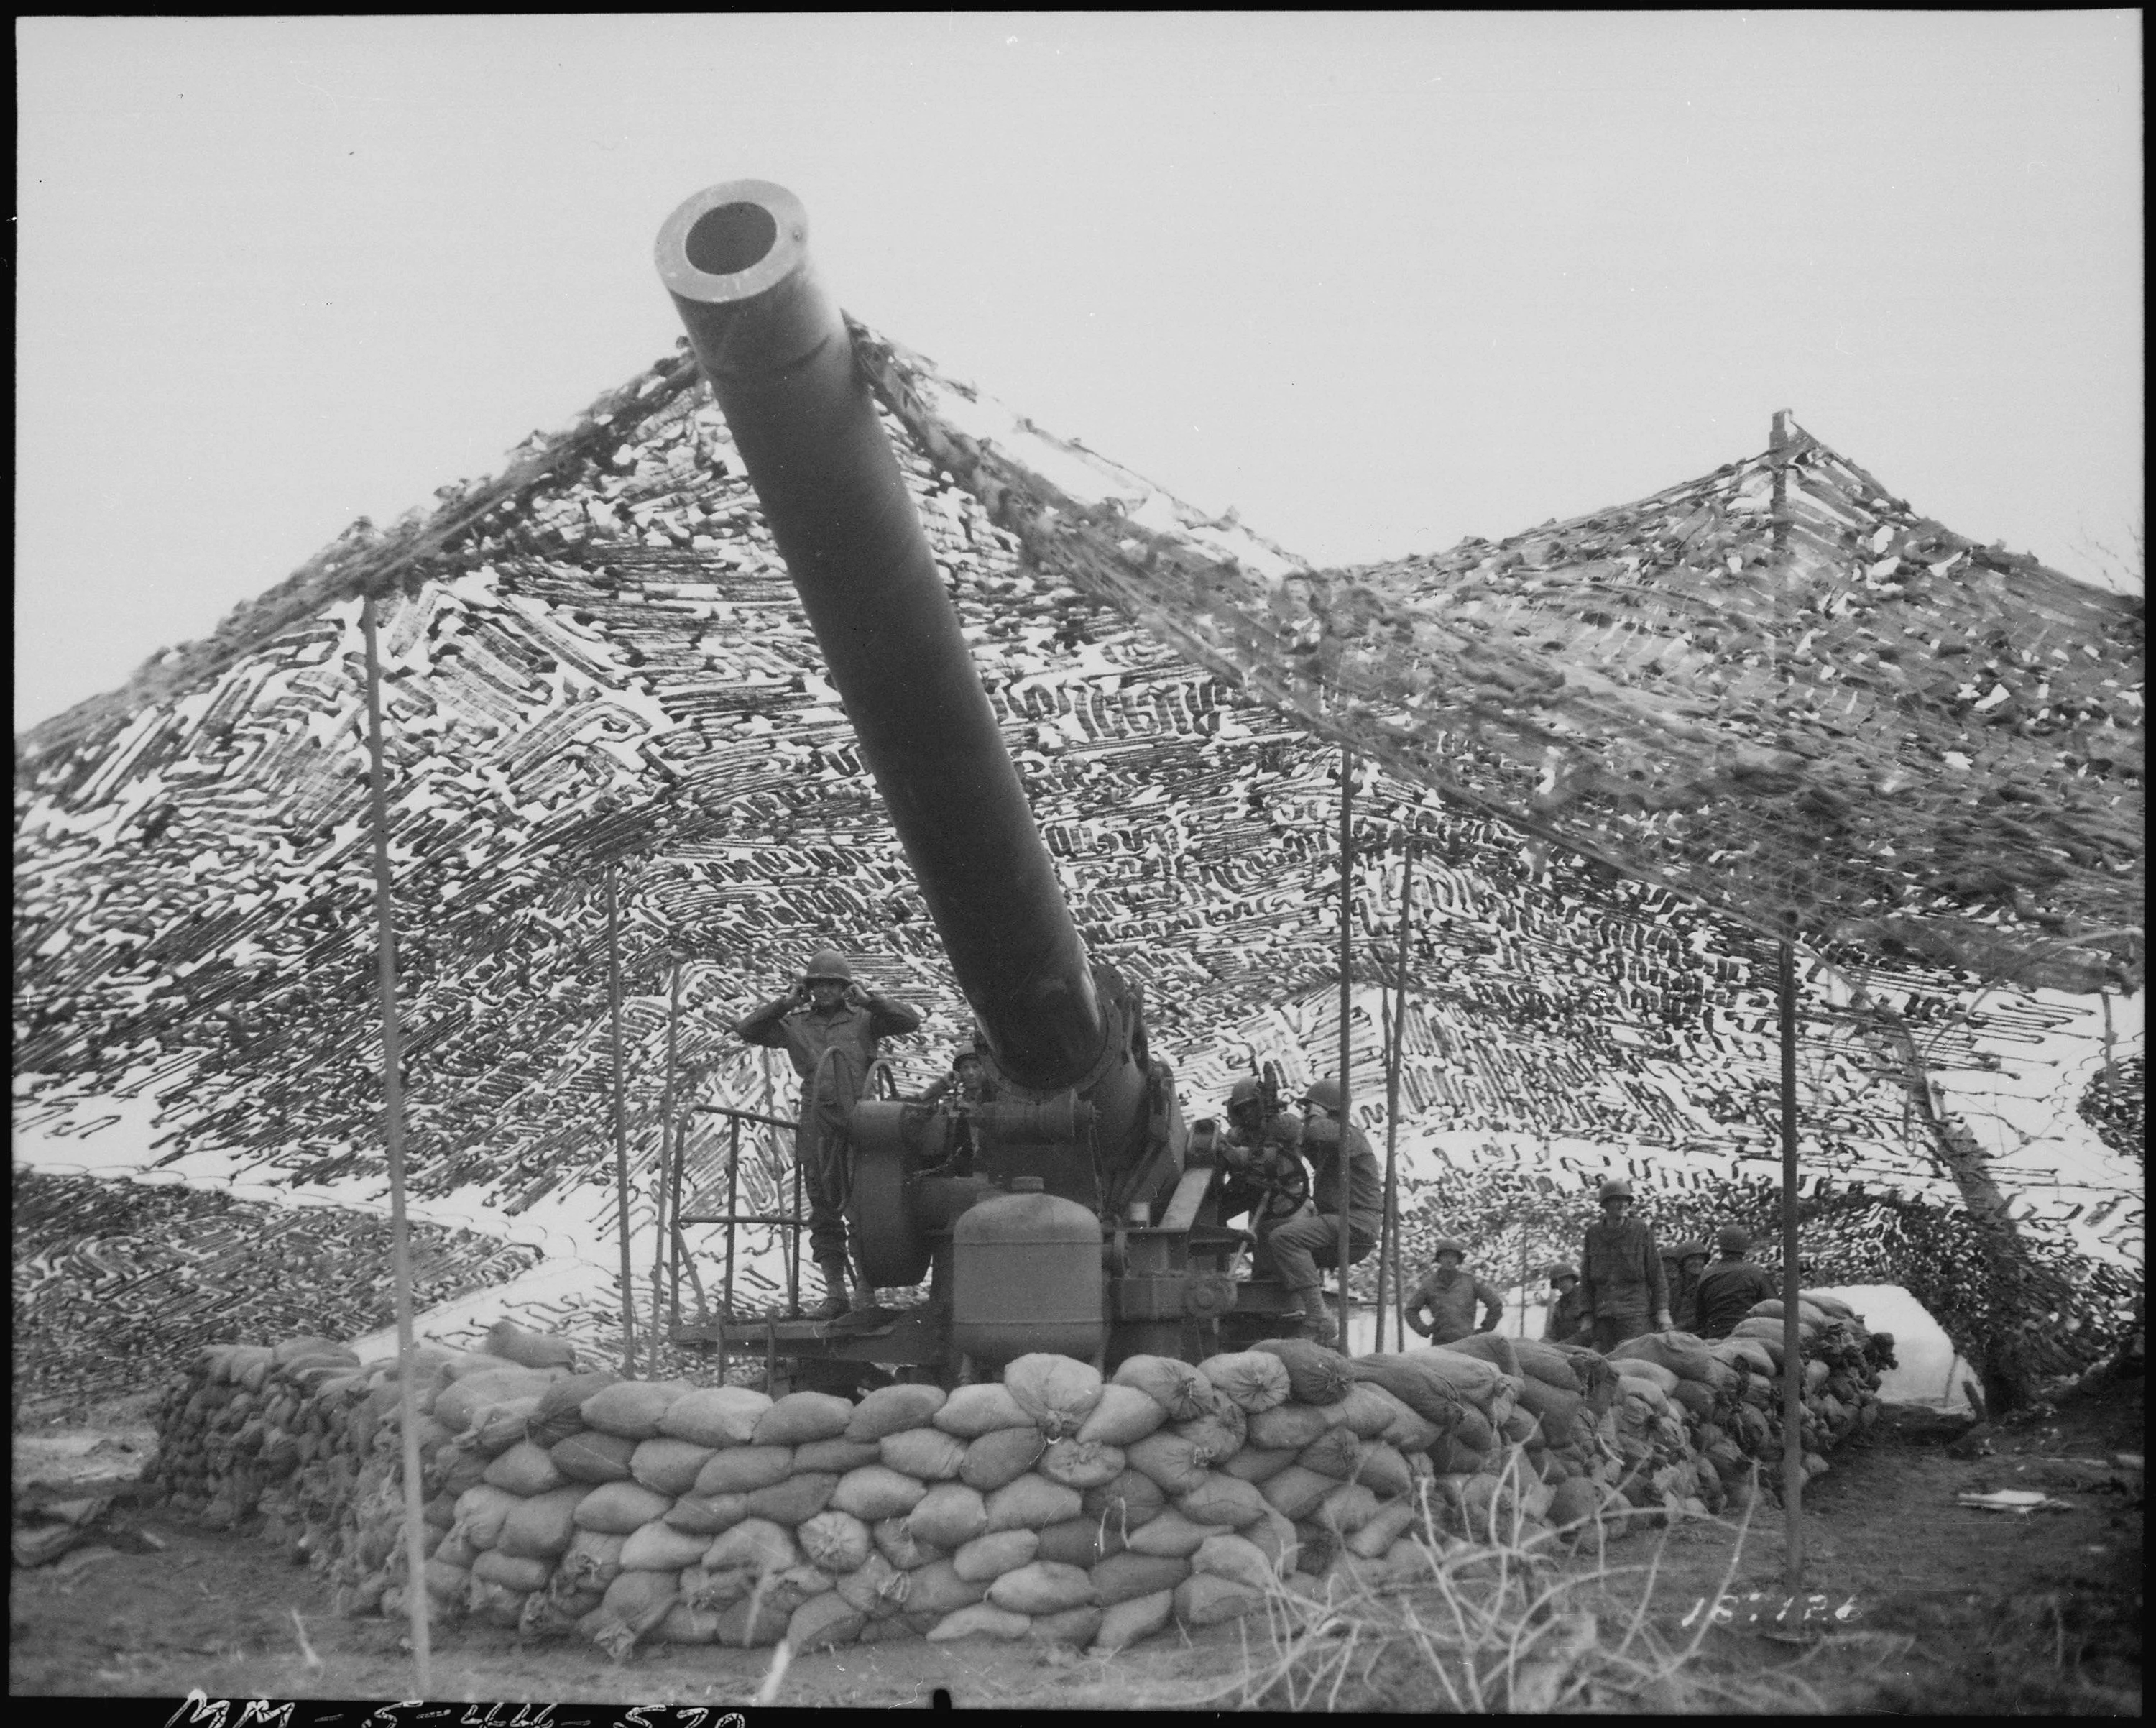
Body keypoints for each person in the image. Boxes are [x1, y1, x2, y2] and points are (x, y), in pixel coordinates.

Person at [734, 950, 922, 1319]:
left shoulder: (866, 1019)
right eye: (818, 985)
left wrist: (872, 1000)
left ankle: (865, 1290)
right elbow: (747, 1030)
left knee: (863, 1206)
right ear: (808, 987)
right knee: (824, 1205)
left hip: (862, 1116)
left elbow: (909, 1021)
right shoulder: (795, 1024)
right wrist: (784, 1003)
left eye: (833, 985)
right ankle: (835, 1291)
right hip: (817, 1119)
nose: (825, 992)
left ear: (845, 988)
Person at [1253, 1077, 1381, 1348]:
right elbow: (1297, 1146)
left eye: (1310, 1107)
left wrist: (1304, 1120)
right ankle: (1284, 1303)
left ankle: (1318, 1315)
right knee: (1267, 1232)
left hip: (1356, 1222)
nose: (1307, 1112)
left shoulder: (1348, 1134)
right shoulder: (1329, 1146)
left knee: (1285, 1238)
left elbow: (1313, 1132)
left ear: (1326, 1109)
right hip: (1340, 1221)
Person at [1575, 1177, 1672, 1351]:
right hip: (1604, 1315)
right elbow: (1586, 1279)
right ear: (1605, 1205)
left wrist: (1662, 1311)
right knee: (1600, 1365)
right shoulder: (1593, 1234)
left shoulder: (1640, 1230)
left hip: (1635, 1315)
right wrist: (1587, 1315)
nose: (1622, 1205)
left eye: (1625, 1200)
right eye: (1616, 1200)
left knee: (1635, 1362)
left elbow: (1656, 1274)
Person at [1217, 1076, 1304, 1228]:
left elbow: (1287, 1131)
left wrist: (1270, 1114)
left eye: (1251, 1106)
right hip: (1258, 1206)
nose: (1246, 1113)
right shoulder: (1238, 1135)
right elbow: (1225, 1149)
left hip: (1289, 1203)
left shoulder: (1288, 1123)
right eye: (1241, 1109)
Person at [1404, 1238, 1504, 1345]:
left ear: (1458, 1260)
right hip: (1441, 1344)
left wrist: (1485, 1329)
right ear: (1439, 1259)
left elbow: (1495, 1304)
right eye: (1445, 1256)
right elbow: (1410, 1310)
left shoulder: (1470, 1282)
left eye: (1453, 1256)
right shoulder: (1429, 1285)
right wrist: (1423, 1329)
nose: (1449, 1260)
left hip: (1467, 1344)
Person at [1692, 1226, 1779, 1340]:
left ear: (1721, 1248)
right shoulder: (1756, 1273)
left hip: (1715, 1338)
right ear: (1745, 1248)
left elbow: (1700, 1318)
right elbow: (1773, 1307)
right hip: (1750, 1337)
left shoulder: (1706, 1275)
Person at [1666, 1240, 1711, 1333]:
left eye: (1700, 1259)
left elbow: (1702, 1317)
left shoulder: (1707, 1283)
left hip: (1699, 1334)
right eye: (1692, 1259)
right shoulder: (1676, 1286)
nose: (1697, 1262)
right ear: (1683, 1262)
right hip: (1677, 1332)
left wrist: (1677, 1328)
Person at [1542, 1263, 1585, 1343]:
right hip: (1566, 1348)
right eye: (1557, 1282)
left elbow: (1588, 1332)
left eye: (1565, 1279)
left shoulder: (1585, 1299)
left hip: (1587, 1349)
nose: (1562, 1284)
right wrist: (1544, 1342)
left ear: (1573, 1279)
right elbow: (1554, 1332)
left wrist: (1564, 1344)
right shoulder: (1559, 1306)